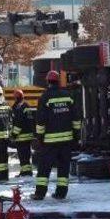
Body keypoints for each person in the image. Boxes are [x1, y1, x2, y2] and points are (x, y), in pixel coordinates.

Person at [31, 70, 81, 200]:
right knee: (63, 167)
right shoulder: (68, 96)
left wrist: (40, 137)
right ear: (58, 81)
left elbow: (40, 120)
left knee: (44, 168)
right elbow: (76, 117)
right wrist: (76, 134)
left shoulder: (45, 97)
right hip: (67, 140)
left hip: (49, 141)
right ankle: (61, 193)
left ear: (48, 81)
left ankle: (40, 193)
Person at [10, 89, 35, 177]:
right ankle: (26, 171)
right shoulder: (26, 105)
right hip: (28, 136)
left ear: (16, 97)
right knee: (27, 154)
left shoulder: (19, 107)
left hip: (21, 136)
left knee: (22, 155)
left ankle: (26, 172)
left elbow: (18, 123)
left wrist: (13, 134)